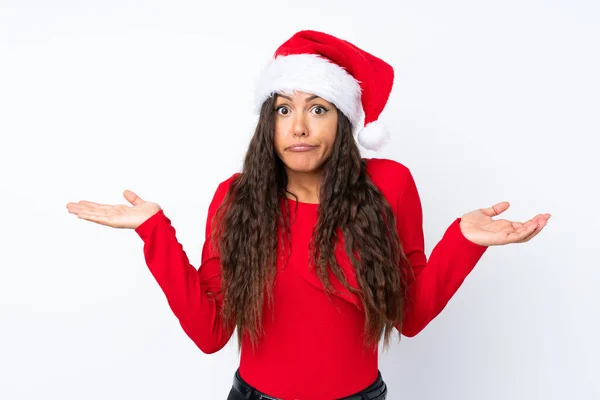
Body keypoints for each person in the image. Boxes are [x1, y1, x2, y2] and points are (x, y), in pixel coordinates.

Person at [66, 30, 551, 400]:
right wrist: (155, 233)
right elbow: (211, 333)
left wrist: (464, 241)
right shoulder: (236, 198)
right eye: (283, 110)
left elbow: (410, 316)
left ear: (343, 120)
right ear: (267, 123)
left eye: (318, 108)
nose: (298, 126)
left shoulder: (390, 185)